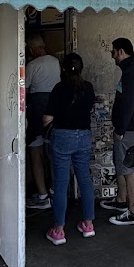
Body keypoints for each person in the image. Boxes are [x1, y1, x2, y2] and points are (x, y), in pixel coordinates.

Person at [43, 53, 96, 246]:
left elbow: (47, 118)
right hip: (84, 137)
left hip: (62, 137)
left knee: (61, 183)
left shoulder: (59, 88)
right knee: (84, 180)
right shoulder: (88, 87)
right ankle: (88, 225)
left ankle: (59, 230)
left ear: (63, 69)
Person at [105, 37, 134, 226]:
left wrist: (121, 129)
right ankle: (122, 200)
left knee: (129, 169)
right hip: (129, 127)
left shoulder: (131, 72)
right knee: (122, 166)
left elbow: (129, 103)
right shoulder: (132, 69)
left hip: (128, 129)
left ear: (121, 51)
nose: (112, 56)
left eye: (113, 52)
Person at [25, 34, 60, 210]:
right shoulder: (55, 61)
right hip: (54, 110)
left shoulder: (32, 65)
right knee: (53, 153)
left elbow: (23, 88)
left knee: (35, 152)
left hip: (36, 111)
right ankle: (55, 190)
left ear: (32, 49)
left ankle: (42, 195)